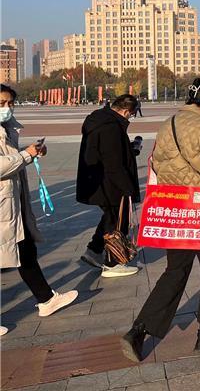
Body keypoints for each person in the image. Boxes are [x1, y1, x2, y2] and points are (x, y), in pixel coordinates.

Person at [121, 79, 200, 362]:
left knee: (175, 271)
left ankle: (139, 329)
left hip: (176, 207)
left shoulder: (168, 123)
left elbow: (156, 162)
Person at [0, 84, 78, 335]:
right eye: (2, 103)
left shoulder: (7, 129)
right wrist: (25, 156)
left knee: (26, 250)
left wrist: (30, 154)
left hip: (12, 203)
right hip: (3, 206)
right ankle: (46, 298)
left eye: (10, 103)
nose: (7, 108)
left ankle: (46, 299)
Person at [76, 94, 142, 277]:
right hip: (109, 183)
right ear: (127, 111)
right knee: (118, 221)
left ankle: (94, 250)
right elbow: (113, 162)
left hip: (98, 180)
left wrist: (130, 150)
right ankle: (112, 263)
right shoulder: (111, 127)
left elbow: (109, 151)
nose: (130, 118)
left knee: (110, 217)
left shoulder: (99, 120)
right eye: (132, 114)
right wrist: (127, 187)